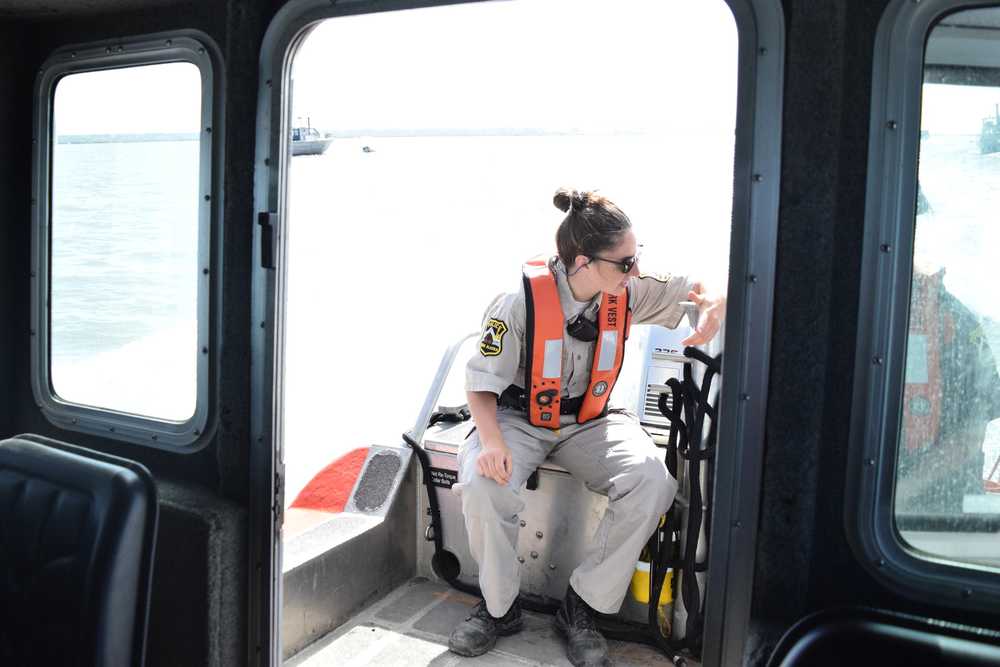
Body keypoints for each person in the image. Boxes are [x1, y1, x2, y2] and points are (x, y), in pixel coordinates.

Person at [447, 188, 725, 666]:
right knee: (480, 482)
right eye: (624, 262)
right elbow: (479, 383)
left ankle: (583, 606)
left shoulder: (626, 290)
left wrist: (716, 302)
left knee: (651, 481)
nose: (634, 270)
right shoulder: (516, 306)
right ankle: (499, 609)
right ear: (581, 262)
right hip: (519, 418)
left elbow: (699, 287)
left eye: (637, 258)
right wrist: (491, 442)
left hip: (589, 419)